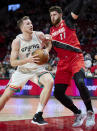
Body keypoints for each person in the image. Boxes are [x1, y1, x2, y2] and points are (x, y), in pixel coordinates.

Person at [49, 1, 95, 128]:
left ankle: (90, 112)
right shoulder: (51, 30)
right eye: (51, 15)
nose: (52, 17)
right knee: (58, 93)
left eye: (54, 14)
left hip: (75, 58)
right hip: (63, 62)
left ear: (60, 15)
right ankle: (78, 113)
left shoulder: (68, 21)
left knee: (80, 82)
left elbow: (77, 10)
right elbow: (49, 47)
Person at [0, 16, 54, 125]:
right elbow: (13, 62)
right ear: (22, 28)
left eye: (31, 23)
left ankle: (38, 115)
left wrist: (47, 50)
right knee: (5, 97)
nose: (31, 25)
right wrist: (27, 60)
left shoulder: (39, 35)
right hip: (22, 71)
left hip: (37, 69)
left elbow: (49, 43)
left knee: (50, 81)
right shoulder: (17, 42)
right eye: (27, 24)